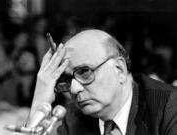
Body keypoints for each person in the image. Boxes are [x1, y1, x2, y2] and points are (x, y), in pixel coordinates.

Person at [27, 29, 177, 135]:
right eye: (67, 79)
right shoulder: (73, 118)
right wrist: (39, 104)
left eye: (85, 72)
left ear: (119, 69)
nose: (74, 89)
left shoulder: (169, 105)